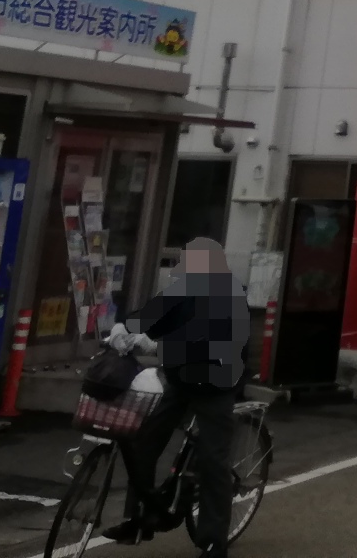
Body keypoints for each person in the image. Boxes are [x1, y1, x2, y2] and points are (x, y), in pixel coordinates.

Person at [105, 237, 249, 555]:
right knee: (141, 443)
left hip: (216, 383)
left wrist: (159, 346)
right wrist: (121, 328)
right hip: (180, 380)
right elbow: (151, 314)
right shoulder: (182, 290)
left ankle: (213, 541)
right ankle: (138, 519)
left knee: (213, 461)